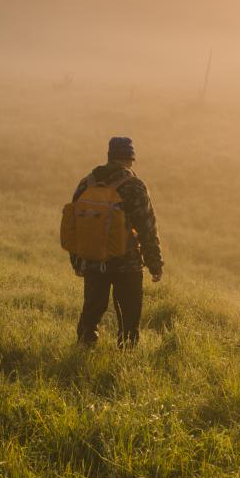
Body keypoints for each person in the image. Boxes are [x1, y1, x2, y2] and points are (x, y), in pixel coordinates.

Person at [70, 137, 164, 348]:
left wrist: (77, 261)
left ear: (109, 156)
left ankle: (83, 351)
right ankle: (126, 359)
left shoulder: (88, 183)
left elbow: (75, 224)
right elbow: (147, 228)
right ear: (131, 159)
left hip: (94, 261)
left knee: (91, 312)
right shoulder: (135, 186)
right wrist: (154, 264)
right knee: (128, 317)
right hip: (127, 263)